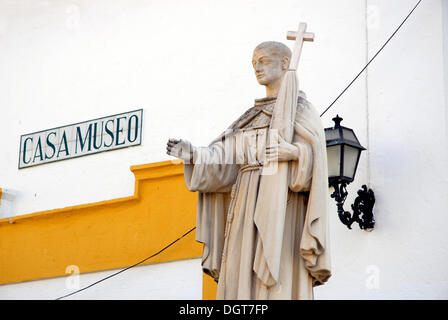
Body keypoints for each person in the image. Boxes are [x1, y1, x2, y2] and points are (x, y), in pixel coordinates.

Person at [166, 41, 331, 299]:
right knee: (241, 276)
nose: (257, 67)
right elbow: (226, 159)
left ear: (285, 64)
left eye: (263, 60)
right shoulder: (250, 116)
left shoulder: (301, 111)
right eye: (254, 62)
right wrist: (194, 154)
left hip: (282, 208)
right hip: (244, 206)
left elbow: (318, 162)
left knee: (279, 269)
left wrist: (295, 153)